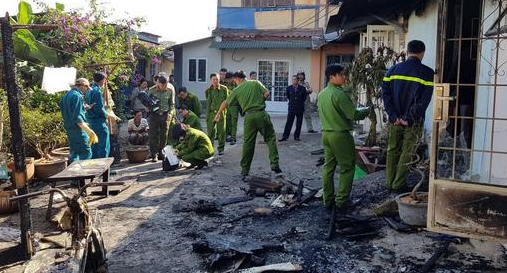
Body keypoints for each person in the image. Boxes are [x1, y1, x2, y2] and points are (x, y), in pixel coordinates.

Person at [382, 40, 434, 193]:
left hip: (395, 120)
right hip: (413, 121)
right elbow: (424, 101)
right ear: (422, 53)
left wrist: (394, 116)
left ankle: (389, 182)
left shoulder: (392, 70)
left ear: (407, 51)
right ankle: (398, 184)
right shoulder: (427, 73)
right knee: (408, 151)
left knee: (392, 149)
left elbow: (386, 96)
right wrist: (408, 117)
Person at [318, 64, 370, 212]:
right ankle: (341, 201)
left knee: (328, 167)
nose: (344, 77)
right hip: (340, 134)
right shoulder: (339, 94)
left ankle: (327, 200)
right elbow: (353, 114)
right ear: (332, 77)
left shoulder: (322, 94)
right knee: (347, 168)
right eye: (341, 74)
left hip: (326, 134)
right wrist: (366, 110)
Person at [214, 70, 281, 180]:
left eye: (235, 80)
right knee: (270, 139)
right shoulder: (255, 83)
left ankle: (245, 171)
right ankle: (275, 166)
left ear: (238, 79)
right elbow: (267, 93)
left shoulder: (236, 90)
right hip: (261, 114)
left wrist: (218, 114)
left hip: (249, 117)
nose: (234, 82)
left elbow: (225, 103)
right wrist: (261, 100)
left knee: (248, 144)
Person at [60, 78, 98, 162]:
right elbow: (78, 118)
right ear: (83, 86)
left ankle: (74, 174)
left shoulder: (65, 96)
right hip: (79, 132)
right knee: (86, 153)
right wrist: (90, 132)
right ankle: (84, 175)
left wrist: (83, 108)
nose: (87, 90)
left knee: (74, 154)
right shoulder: (77, 96)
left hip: (70, 130)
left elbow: (69, 112)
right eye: (87, 88)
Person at [85, 72, 120, 159]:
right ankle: (104, 170)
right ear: (102, 80)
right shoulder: (96, 92)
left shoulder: (89, 90)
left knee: (94, 146)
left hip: (90, 122)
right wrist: (110, 115)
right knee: (103, 146)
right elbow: (99, 109)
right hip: (99, 122)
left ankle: (95, 169)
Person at [148, 73, 176, 162]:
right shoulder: (151, 90)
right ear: (158, 83)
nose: (164, 86)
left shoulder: (170, 89)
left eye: (166, 84)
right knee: (153, 135)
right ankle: (154, 155)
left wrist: (170, 114)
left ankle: (161, 153)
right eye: (162, 84)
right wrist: (148, 107)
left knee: (164, 136)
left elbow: (172, 104)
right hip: (154, 116)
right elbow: (148, 103)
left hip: (165, 115)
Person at [206, 73, 228, 155]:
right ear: (211, 80)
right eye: (214, 79)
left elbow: (227, 102)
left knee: (221, 132)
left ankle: (221, 148)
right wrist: (207, 116)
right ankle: (210, 149)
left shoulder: (224, 89)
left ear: (219, 80)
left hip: (221, 113)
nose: (215, 81)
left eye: (217, 79)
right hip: (211, 113)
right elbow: (208, 103)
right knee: (210, 132)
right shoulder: (208, 90)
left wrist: (224, 114)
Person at [280, 75, 307, 142]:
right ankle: (285, 136)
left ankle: (296, 137)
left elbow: (304, 98)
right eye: (292, 80)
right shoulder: (289, 88)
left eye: (295, 79)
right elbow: (288, 96)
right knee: (289, 122)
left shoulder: (302, 88)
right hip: (291, 108)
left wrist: (299, 103)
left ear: (298, 80)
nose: (293, 81)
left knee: (299, 123)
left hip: (299, 108)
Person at [224, 72, 239, 145]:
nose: (228, 81)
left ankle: (233, 138)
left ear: (232, 78)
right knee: (227, 122)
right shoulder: (226, 84)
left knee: (234, 123)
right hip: (227, 105)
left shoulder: (237, 84)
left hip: (234, 106)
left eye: (229, 79)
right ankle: (228, 136)